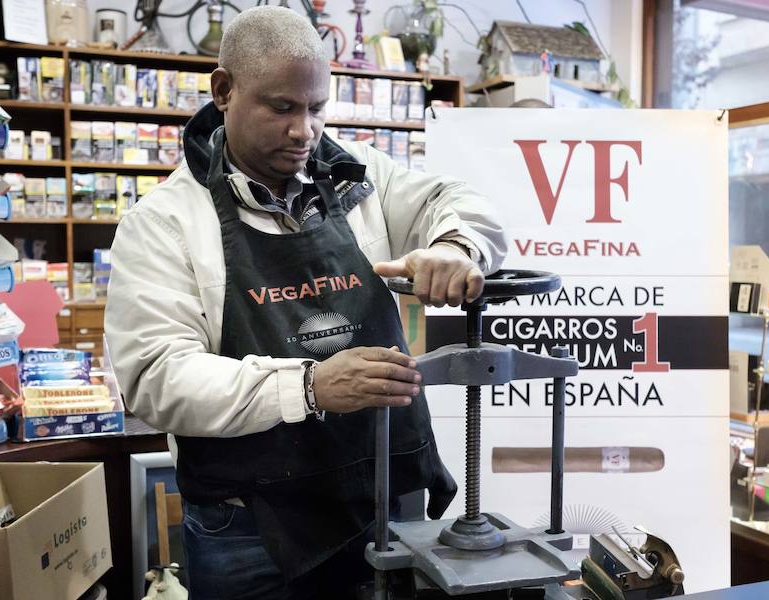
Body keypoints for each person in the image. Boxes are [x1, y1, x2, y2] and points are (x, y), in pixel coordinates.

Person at [105, 6, 506, 600]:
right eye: (281, 107)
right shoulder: (163, 224)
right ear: (224, 91)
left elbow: (458, 201)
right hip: (250, 530)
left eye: (317, 108)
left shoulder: (359, 178)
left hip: (386, 500)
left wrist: (454, 245)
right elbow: (156, 378)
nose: (304, 132)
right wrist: (309, 387)